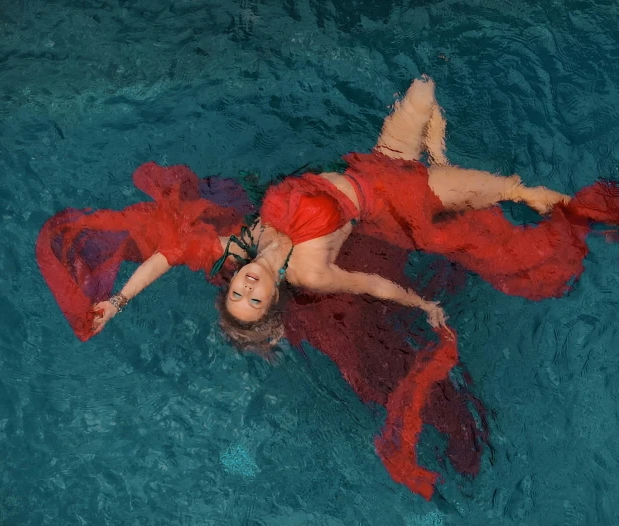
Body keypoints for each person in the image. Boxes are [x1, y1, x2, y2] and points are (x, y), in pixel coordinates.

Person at [89, 77, 573, 347]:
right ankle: (451, 167)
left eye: (238, 291)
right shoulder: (310, 273)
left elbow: (169, 251)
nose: (249, 286)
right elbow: (372, 285)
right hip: (401, 196)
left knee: (424, 87)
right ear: (274, 299)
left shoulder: (244, 244)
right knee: (517, 191)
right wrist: (422, 304)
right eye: (255, 300)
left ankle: (439, 150)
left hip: (378, 161)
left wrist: (118, 302)